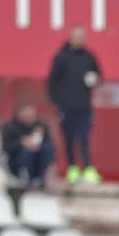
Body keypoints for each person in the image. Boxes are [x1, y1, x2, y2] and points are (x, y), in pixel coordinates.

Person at [47, 25, 103, 184]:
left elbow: (99, 76)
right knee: (69, 139)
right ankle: (72, 168)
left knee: (85, 138)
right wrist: (57, 103)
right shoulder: (61, 57)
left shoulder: (89, 56)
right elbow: (52, 82)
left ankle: (88, 168)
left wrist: (95, 80)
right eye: (77, 37)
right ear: (70, 38)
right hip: (66, 106)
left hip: (84, 106)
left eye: (82, 37)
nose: (80, 40)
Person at [2, 103, 55, 188]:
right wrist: (21, 143)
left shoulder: (40, 126)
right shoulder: (10, 128)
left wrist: (38, 144)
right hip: (17, 160)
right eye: (27, 115)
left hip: (38, 158)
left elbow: (49, 143)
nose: (30, 117)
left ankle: (41, 179)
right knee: (26, 151)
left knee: (46, 148)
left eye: (32, 115)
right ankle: (27, 181)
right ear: (19, 114)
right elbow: (6, 147)